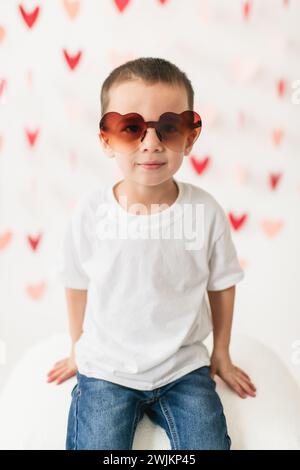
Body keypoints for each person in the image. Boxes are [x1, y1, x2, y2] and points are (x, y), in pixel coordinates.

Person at [47, 57, 256, 450]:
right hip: (107, 371)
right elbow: (76, 282)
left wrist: (222, 353)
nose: (151, 142)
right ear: (106, 139)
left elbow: (223, 283)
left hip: (184, 369)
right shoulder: (92, 213)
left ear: (190, 137)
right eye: (130, 128)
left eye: (169, 128)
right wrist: (77, 348)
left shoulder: (205, 212)